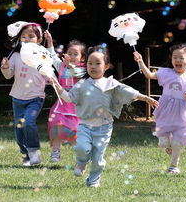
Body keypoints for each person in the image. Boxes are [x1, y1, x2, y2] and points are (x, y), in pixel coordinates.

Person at [53, 46, 158, 187]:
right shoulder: (82, 85)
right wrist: (59, 88)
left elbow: (128, 92)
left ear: (106, 66)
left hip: (104, 128)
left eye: (97, 63)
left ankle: (94, 180)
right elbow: (68, 98)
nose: (93, 66)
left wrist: (145, 98)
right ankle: (81, 162)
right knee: (81, 148)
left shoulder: (111, 84)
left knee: (97, 158)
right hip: (84, 125)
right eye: (90, 63)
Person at [135, 43, 186, 174]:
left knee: (177, 143)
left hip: (181, 114)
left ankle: (174, 166)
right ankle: (168, 144)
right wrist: (141, 61)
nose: (178, 60)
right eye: (175, 57)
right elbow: (149, 75)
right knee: (163, 143)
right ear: (171, 60)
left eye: (181, 58)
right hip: (165, 111)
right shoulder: (166, 73)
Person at [0, 22, 47, 166]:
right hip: (17, 99)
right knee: (19, 132)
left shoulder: (42, 55)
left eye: (31, 36)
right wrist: (5, 68)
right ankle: (27, 156)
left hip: (36, 98)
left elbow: (48, 72)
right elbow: (8, 75)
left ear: (39, 40)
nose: (26, 39)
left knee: (28, 122)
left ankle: (33, 152)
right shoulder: (15, 55)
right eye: (23, 36)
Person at [44, 31, 86, 163]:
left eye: (76, 54)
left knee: (77, 131)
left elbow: (78, 74)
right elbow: (51, 56)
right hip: (61, 104)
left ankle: (80, 156)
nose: (72, 56)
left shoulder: (84, 69)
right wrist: (50, 41)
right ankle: (56, 152)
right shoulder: (61, 65)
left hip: (76, 105)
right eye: (70, 53)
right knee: (57, 125)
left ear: (82, 58)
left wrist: (70, 66)